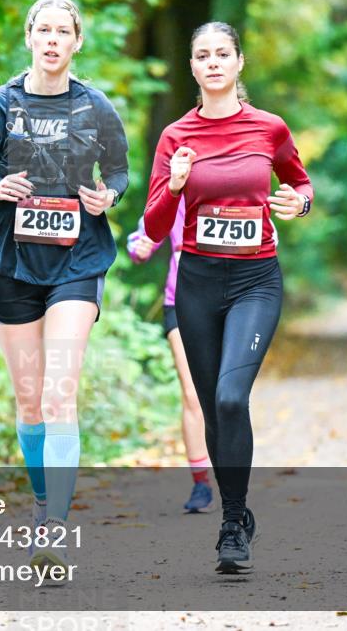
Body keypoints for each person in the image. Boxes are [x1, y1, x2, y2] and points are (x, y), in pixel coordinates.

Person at [0, 0, 129, 579]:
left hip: (78, 261)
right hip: (10, 265)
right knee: (29, 401)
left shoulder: (96, 106)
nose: (52, 40)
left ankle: (53, 530)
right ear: (29, 37)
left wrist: (110, 196)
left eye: (63, 31)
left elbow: (122, 170)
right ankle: (44, 504)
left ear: (77, 42)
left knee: (59, 395)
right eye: (43, 30)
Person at [142, 21, 313, 574]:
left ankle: (231, 520)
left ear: (239, 62)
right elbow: (152, 221)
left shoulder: (269, 128)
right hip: (195, 283)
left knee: (232, 397)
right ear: (192, 67)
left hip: (254, 280)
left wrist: (300, 204)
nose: (212, 62)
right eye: (201, 55)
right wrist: (174, 184)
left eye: (222, 53)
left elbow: (300, 182)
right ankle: (236, 517)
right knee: (214, 405)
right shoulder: (175, 136)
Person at [127, 201, 215, 514]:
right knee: (192, 394)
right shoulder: (172, 193)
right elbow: (141, 242)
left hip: (232, 299)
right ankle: (201, 482)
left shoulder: (232, 180)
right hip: (179, 300)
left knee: (225, 394)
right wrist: (141, 245)